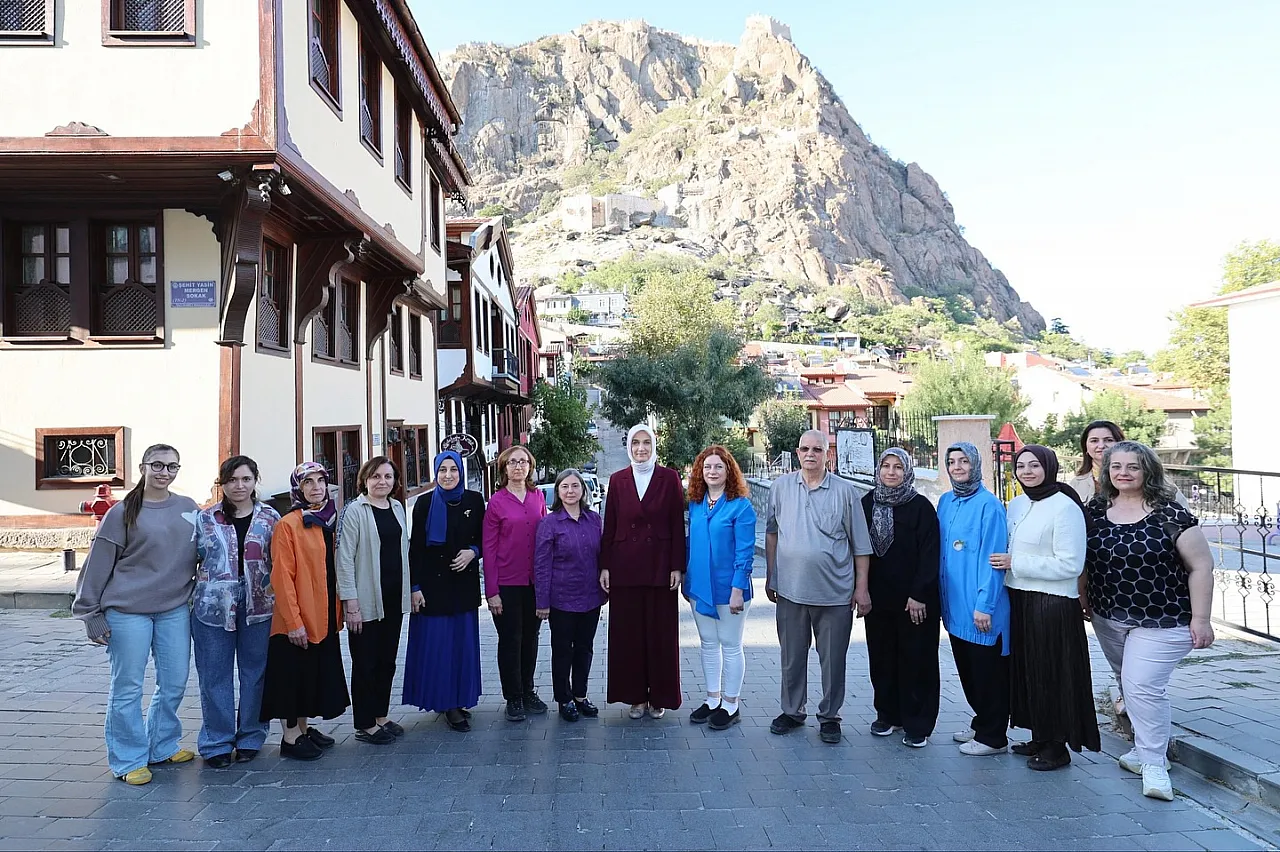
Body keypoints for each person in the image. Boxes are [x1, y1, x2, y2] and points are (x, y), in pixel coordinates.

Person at [1085, 440, 1215, 801]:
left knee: (1141, 685)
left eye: (1133, 467)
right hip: (1108, 614)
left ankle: (1154, 763)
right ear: (1107, 471)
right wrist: (1083, 599)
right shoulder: (1095, 509)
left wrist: (1201, 619)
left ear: (1147, 472)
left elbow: (1201, 565)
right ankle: (1142, 749)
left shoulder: (1169, 513)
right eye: (1116, 467)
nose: (1123, 473)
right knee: (1128, 682)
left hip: (1164, 617)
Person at [72, 444, 200, 786]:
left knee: (173, 682)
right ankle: (128, 760)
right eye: (157, 465)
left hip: (173, 609)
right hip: (128, 611)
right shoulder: (122, 512)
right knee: (127, 687)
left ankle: (162, 746)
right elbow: (97, 564)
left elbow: (205, 551)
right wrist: (90, 613)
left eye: (172, 466)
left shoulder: (188, 508)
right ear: (142, 467)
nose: (164, 472)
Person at [992, 445, 1100, 771]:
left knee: (1052, 673)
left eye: (1034, 465)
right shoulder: (1018, 504)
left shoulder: (1064, 507)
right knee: (1028, 671)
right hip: (1020, 598)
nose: (1027, 471)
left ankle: (1058, 746)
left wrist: (1016, 563)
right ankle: (1039, 734)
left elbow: (1070, 563)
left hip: (1052, 603)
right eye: (1021, 465)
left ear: (1049, 468)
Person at [765, 429, 873, 745]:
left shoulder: (845, 492)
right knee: (792, 657)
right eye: (804, 449)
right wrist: (772, 574)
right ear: (797, 453)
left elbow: (860, 546)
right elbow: (772, 533)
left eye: (817, 449)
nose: (810, 454)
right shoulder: (781, 487)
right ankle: (792, 712)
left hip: (835, 593)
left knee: (833, 659)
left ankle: (829, 716)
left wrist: (861, 588)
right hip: (790, 591)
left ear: (828, 454)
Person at [191, 455, 281, 768]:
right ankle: (216, 741)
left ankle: (251, 736)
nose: (239, 486)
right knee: (214, 674)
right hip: (213, 608)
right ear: (223, 484)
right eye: (232, 480)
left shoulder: (270, 517)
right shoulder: (206, 518)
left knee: (255, 673)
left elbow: (279, 563)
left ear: (255, 481)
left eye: (245, 479)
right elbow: (191, 559)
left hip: (259, 606)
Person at [259, 462, 350, 760]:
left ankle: (303, 727)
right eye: (308, 482)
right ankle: (290, 737)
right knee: (292, 676)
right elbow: (282, 578)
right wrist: (294, 622)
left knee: (310, 674)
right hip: (296, 619)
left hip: (322, 615)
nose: (316, 487)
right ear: (297, 488)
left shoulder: (329, 519)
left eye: (320, 481)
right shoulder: (289, 524)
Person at [600, 424, 686, 719]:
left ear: (654, 445)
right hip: (625, 567)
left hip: (660, 566)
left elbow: (677, 524)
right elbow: (609, 526)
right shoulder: (618, 480)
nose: (641, 448)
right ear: (629, 447)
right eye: (635, 443)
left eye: (646, 443)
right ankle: (635, 696)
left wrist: (677, 565)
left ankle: (659, 696)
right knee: (629, 636)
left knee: (660, 635)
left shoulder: (670, 478)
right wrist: (605, 566)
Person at [860, 448, 941, 749]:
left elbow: (930, 554)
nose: (891, 472)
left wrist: (919, 594)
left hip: (914, 602)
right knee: (881, 658)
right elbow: (860, 550)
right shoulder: (867, 503)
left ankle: (917, 723)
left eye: (898, 467)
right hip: (879, 600)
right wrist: (862, 589)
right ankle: (887, 714)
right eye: (886, 466)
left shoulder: (920, 507)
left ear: (907, 471)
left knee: (916, 659)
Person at [403, 451, 486, 732]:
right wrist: (414, 588)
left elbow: (484, 540)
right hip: (433, 588)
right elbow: (416, 549)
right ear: (435, 473)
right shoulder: (425, 503)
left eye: (453, 469)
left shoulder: (474, 501)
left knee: (461, 647)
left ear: (461, 472)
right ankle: (447, 704)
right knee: (439, 648)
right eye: (442, 470)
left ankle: (459, 699)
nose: (448, 475)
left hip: (463, 586)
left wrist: (472, 552)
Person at [937, 442, 1011, 756]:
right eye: (952, 461)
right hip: (954, 605)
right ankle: (981, 722)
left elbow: (993, 559)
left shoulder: (989, 505)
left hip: (981, 607)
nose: (957, 467)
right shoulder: (945, 501)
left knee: (987, 672)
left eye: (963, 461)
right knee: (968, 669)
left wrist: (985, 605)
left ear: (976, 464)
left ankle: (994, 736)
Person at [337, 457, 412, 744]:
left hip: (393, 599)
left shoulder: (396, 507)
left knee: (387, 662)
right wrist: (350, 603)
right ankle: (365, 723)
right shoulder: (355, 511)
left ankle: (381, 716)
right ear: (365, 480)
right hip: (366, 602)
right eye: (376, 476)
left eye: (388, 476)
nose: (382, 481)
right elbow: (343, 559)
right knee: (365, 663)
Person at [684, 446, 757, 731]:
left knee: (730, 644)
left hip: (730, 590)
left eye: (718, 467)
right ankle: (712, 699)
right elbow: (692, 544)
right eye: (707, 467)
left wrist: (738, 588)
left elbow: (745, 551)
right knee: (708, 644)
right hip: (700, 588)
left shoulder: (741, 506)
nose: (712, 472)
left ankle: (731, 703)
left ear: (729, 471)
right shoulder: (696, 504)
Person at [534, 469, 607, 722]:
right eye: (564, 487)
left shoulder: (594, 520)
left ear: (583, 490)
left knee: (585, 649)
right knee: (563, 650)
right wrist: (542, 602)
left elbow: (603, 556)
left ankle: (580, 695)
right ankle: (564, 699)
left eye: (575, 486)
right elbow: (541, 565)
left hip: (590, 597)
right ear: (558, 491)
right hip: (561, 599)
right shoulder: (549, 523)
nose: (570, 491)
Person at [483, 445, 549, 722]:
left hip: (534, 582)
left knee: (531, 639)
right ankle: (513, 696)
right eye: (512, 462)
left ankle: (528, 690)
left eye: (523, 462)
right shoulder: (496, 502)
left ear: (530, 466)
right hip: (507, 584)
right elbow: (488, 548)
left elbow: (546, 540)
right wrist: (492, 592)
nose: (518, 466)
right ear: (504, 469)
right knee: (511, 640)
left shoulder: (538, 497)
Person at [1068, 420, 1124, 504]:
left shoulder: (1132, 478)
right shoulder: (1076, 484)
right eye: (1094, 441)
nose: (1101, 446)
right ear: (1085, 447)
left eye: (1108, 440)